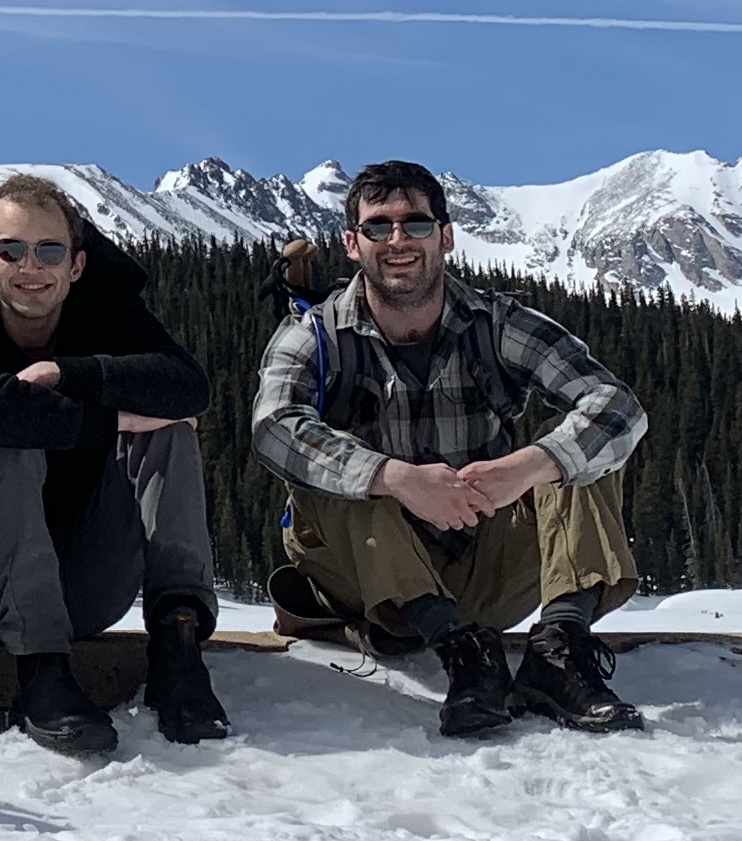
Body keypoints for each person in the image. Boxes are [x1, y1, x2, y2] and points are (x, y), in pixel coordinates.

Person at [249, 158, 651, 737]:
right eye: (377, 227)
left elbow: (617, 405)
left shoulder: (498, 323)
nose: (397, 241)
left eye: (414, 224)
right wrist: (398, 479)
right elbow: (273, 426)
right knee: (337, 473)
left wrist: (530, 465)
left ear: (446, 236)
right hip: (369, 583)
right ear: (352, 245)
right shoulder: (315, 334)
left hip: (483, 560)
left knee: (581, 454)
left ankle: (560, 652)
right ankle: (462, 656)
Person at [0, 175, 228, 754]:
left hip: (88, 582)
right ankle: (42, 673)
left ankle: (177, 644)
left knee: (172, 432)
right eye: (11, 250)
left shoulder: (108, 316)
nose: (31, 266)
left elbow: (189, 387)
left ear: (76, 265)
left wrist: (68, 374)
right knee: (5, 434)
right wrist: (109, 421)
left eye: (49, 250)